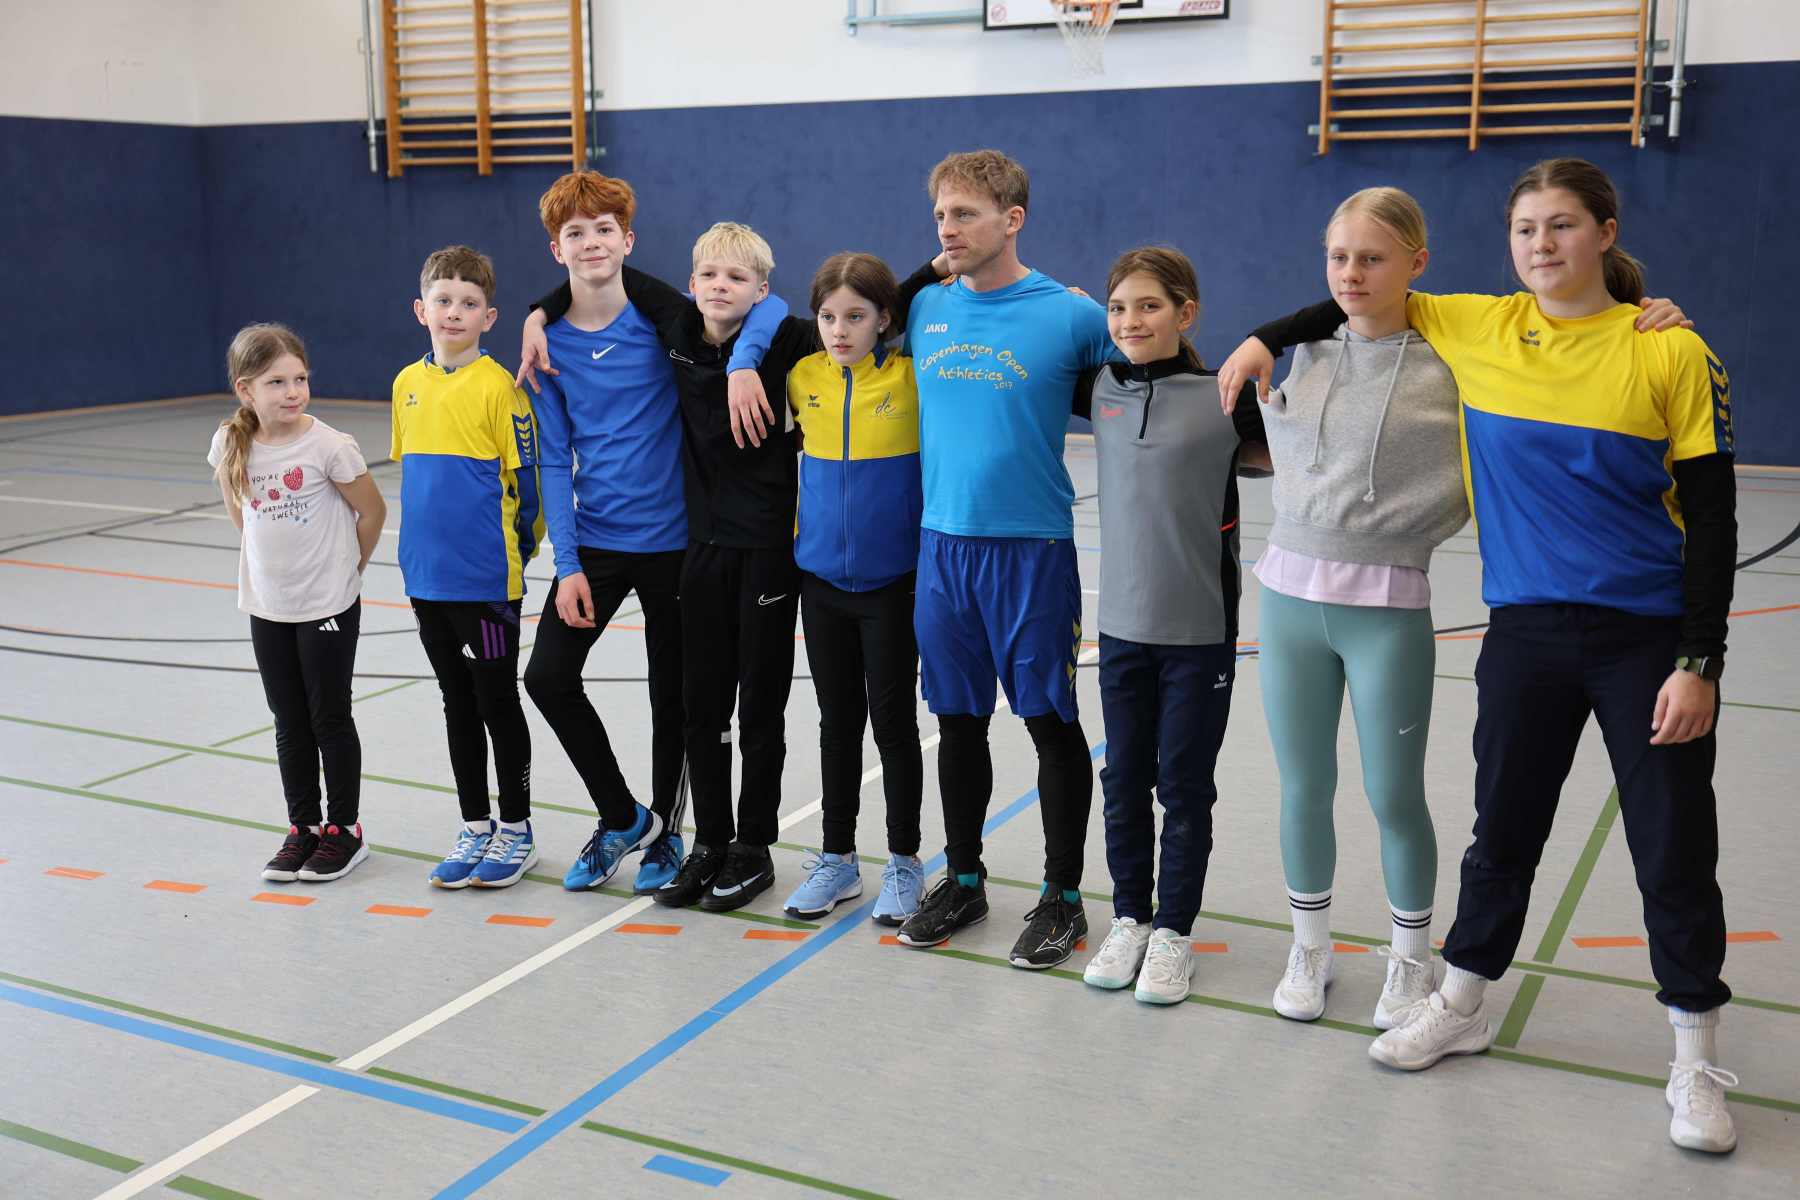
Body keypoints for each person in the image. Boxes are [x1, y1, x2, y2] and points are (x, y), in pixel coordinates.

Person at [1221, 158, 1739, 1154]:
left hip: (1644, 636)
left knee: (1672, 846)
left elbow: (1713, 518)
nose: (1543, 245)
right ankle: (1461, 1001)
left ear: (1605, 233)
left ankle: (1694, 1055)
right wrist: (1260, 337)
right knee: (1501, 834)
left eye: (1563, 225)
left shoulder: (1671, 351)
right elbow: (1357, 292)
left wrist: (1699, 660)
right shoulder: (1478, 326)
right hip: (1526, 632)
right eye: (1526, 229)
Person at [515, 171, 784, 895]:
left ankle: (667, 831)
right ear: (556, 249)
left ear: (627, 240)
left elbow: (769, 303)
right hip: (597, 544)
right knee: (547, 676)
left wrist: (745, 363)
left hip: (678, 545)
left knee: (676, 701)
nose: (591, 242)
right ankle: (622, 816)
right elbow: (553, 455)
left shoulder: (666, 317)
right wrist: (567, 563)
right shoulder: (547, 344)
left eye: (604, 229)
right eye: (576, 232)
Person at [889, 149, 1119, 970]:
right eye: (940, 215)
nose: (947, 229)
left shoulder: (1071, 316)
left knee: (1050, 722)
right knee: (957, 721)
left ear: (1012, 220)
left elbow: (1152, 383)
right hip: (942, 548)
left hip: (1033, 551)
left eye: (965, 215)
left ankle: (1063, 897)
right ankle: (963, 879)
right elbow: (845, 317)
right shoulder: (924, 307)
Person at [1252, 188, 1468, 1029]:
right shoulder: (1301, 351)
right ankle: (1310, 948)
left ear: (1417, 262)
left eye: (1372, 258)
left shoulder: (1455, 362)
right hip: (1288, 604)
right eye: (1338, 256)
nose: (1351, 273)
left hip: (1387, 611)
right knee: (1304, 786)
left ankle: (1412, 960)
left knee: (1394, 794)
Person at [1074, 247, 1268, 1005]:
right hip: (1121, 628)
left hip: (1199, 630)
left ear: (1186, 313)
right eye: (1118, 308)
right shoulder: (1099, 386)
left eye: (1149, 306)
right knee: (1123, 779)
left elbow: (1298, 441)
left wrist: (1270, 345)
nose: (1131, 321)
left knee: (1183, 786)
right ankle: (1130, 918)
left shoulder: (1224, 395)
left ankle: (1174, 934)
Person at [779, 252, 928, 924]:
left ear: (884, 319)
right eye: (828, 317)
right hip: (821, 586)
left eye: (856, 316)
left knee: (894, 728)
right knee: (836, 726)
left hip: (891, 586)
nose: (840, 330)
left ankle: (904, 862)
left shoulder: (912, 377)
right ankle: (837, 858)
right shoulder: (801, 377)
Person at [209, 323, 385, 883]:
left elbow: (373, 512)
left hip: (327, 604)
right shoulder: (231, 442)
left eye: (300, 379)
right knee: (288, 720)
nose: (293, 392)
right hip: (268, 606)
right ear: (246, 390)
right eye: (277, 382)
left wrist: (349, 571)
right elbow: (239, 508)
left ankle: (345, 830)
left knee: (328, 717)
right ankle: (303, 826)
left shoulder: (329, 446)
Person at [393, 245, 546, 889]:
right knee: (456, 702)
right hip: (425, 582)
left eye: (469, 303)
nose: (454, 312)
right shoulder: (406, 384)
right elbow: (417, 482)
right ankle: (475, 824)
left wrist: (512, 557)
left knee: (496, 700)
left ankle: (517, 829)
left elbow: (530, 492)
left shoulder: (502, 390)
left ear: (490, 317)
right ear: (421, 309)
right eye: (444, 300)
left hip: (487, 588)